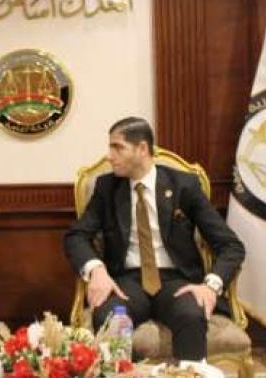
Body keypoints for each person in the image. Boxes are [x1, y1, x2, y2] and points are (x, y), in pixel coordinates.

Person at [64, 117, 245, 361]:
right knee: (111, 317)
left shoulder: (184, 185)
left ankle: (189, 374)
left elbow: (231, 245)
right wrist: (96, 270)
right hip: (126, 283)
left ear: (142, 148)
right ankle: (119, 374)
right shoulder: (107, 188)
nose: (109, 156)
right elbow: (76, 235)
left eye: (117, 147)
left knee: (191, 315)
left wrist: (210, 285)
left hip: (177, 281)